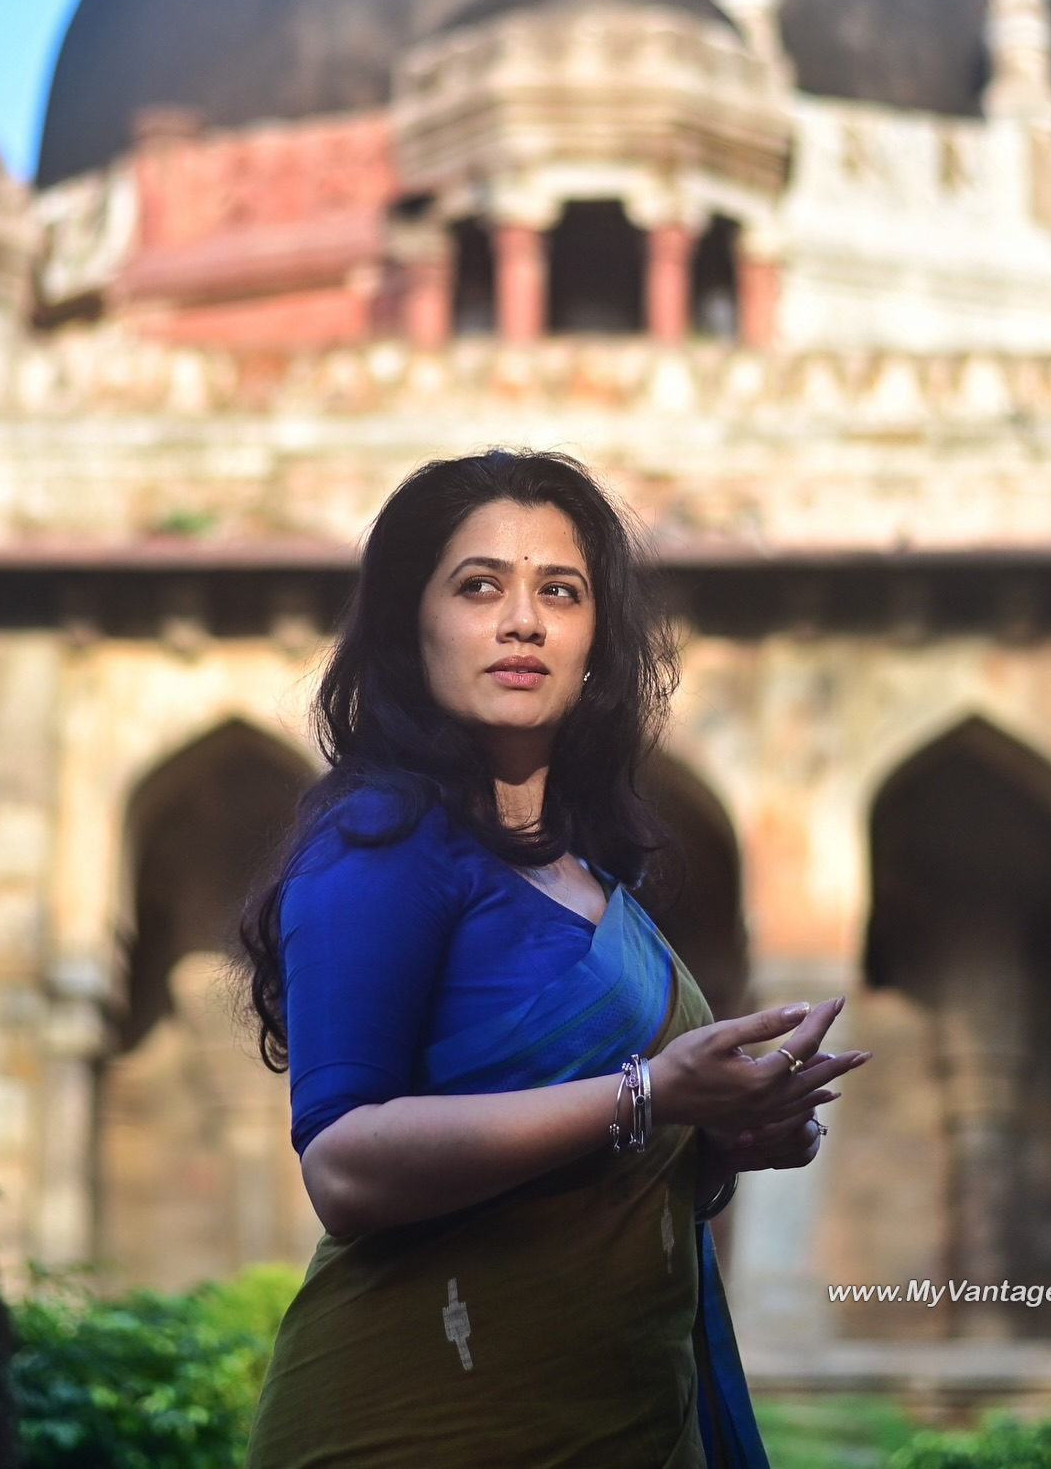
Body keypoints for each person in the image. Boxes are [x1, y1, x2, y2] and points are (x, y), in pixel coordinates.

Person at [241, 451, 869, 1469]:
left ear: (595, 646)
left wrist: (711, 1142)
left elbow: (580, 1152)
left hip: (608, 1416)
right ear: (411, 626)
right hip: (415, 1423)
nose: (523, 621)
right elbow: (343, 1166)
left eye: (560, 592)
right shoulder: (384, 840)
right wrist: (650, 1095)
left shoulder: (594, 877)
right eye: (479, 586)